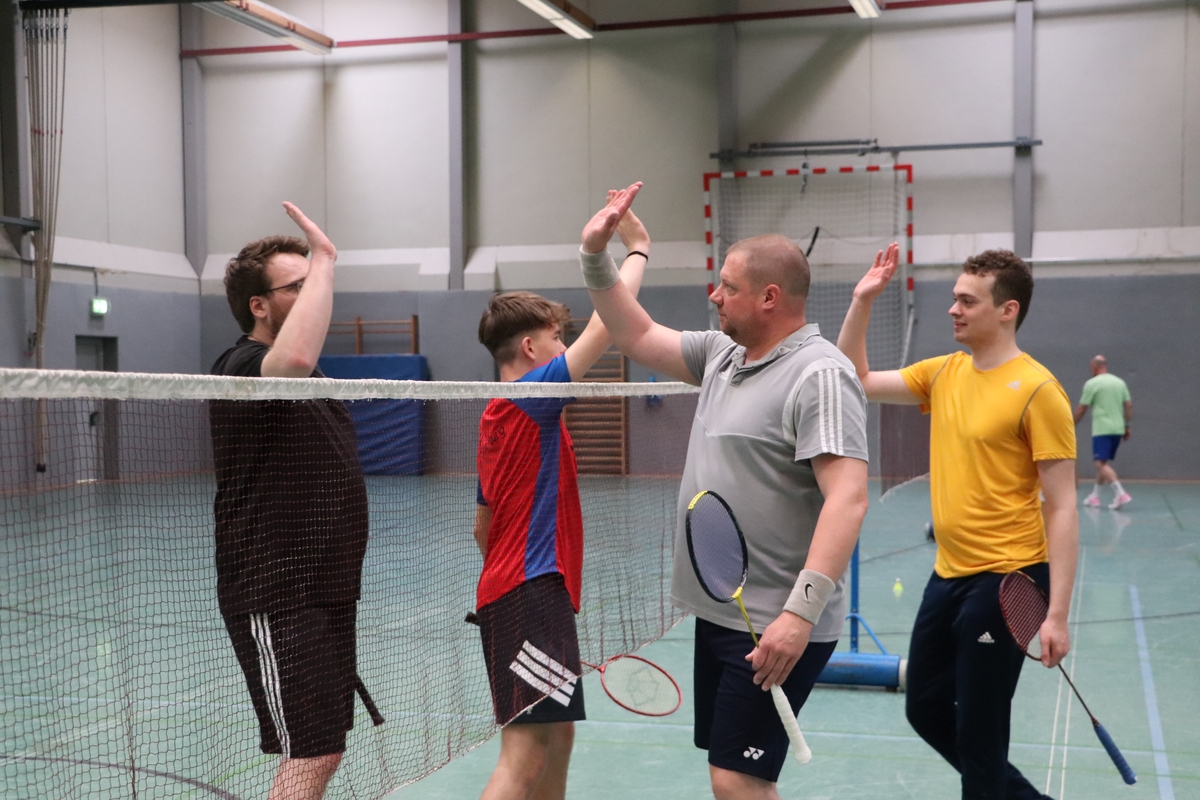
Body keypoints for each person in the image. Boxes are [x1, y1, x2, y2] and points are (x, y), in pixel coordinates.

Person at [578, 184, 869, 800]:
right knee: (735, 774)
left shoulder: (820, 374)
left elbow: (848, 498)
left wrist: (799, 614)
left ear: (769, 297)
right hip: (720, 611)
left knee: (737, 780)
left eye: (727, 287)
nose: (714, 296)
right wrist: (595, 256)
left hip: (774, 624)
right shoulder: (722, 355)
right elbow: (634, 334)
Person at [838, 244, 1079, 800]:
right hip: (949, 574)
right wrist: (862, 300)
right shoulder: (944, 373)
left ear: (1007, 310)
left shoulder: (1039, 391)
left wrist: (1058, 616)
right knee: (924, 706)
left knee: (979, 730)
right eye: (954, 298)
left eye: (968, 301)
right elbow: (856, 378)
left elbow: (1063, 506)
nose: (954, 309)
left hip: (1010, 578)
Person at [473, 199, 648, 800]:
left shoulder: (495, 417)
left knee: (558, 735)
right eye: (556, 337)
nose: (563, 344)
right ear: (530, 347)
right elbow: (612, 324)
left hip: (521, 593)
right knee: (523, 756)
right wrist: (637, 249)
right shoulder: (531, 396)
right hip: (529, 593)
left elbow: (481, 527)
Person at [210, 203, 371, 800]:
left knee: (323, 750)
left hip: (327, 586)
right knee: (309, 752)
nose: (312, 293)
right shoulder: (241, 366)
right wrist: (325, 257)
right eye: (296, 286)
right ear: (259, 305)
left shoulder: (316, 380)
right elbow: (293, 361)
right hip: (274, 590)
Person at [1074, 355, 1133, 509]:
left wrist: (1071, 424)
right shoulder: (1120, 383)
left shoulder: (1092, 384)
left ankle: (1120, 493)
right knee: (1104, 463)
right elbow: (1128, 406)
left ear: (1094, 368)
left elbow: (1082, 408)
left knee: (1099, 464)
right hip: (1118, 429)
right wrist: (1126, 426)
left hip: (1102, 429)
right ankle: (1094, 497)